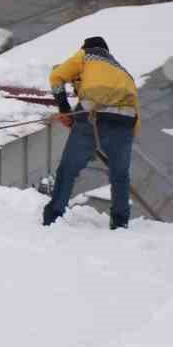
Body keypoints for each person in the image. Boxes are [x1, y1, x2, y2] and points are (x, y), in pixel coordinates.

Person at [42, 36, 141, 230]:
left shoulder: (86, 55)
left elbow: (56, 77)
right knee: (120, 175)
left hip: (92, 116)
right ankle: (120, 222)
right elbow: (137, 119)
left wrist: (64, 109)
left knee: (68, 170)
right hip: (126, 123)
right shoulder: (125, 73)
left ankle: (53, 215)